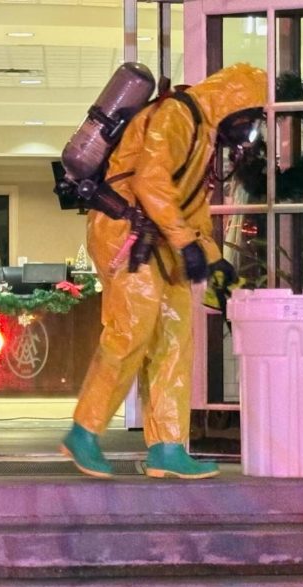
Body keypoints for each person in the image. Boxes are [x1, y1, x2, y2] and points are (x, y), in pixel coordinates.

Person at [61, 63, 267, 479]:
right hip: (123, 230)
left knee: (175, 336)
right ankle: (84, 431)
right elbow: (151, 182)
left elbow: (190, 206)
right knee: (132, 329)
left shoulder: (202, 133)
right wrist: (186, 244)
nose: (248, 131)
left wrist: (211, 256)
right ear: (232, 103)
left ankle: (167, 447)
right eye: (249, 117)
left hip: (155, 237)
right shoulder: (177, 116)